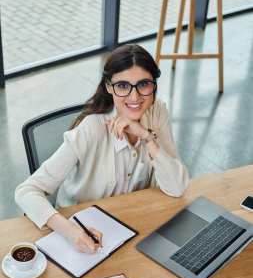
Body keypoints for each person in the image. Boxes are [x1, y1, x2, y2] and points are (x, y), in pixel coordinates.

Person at [15, 44, 189, 254]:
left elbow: (177, 187)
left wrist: (146, 135)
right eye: (123, 86)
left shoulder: (157, 113)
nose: (134, 98)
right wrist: (72, 232)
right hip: (85, 235)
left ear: (154, 85)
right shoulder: (91, 129)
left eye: (143, 84)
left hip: (134, 227)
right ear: (109, 86)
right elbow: (26, 191)